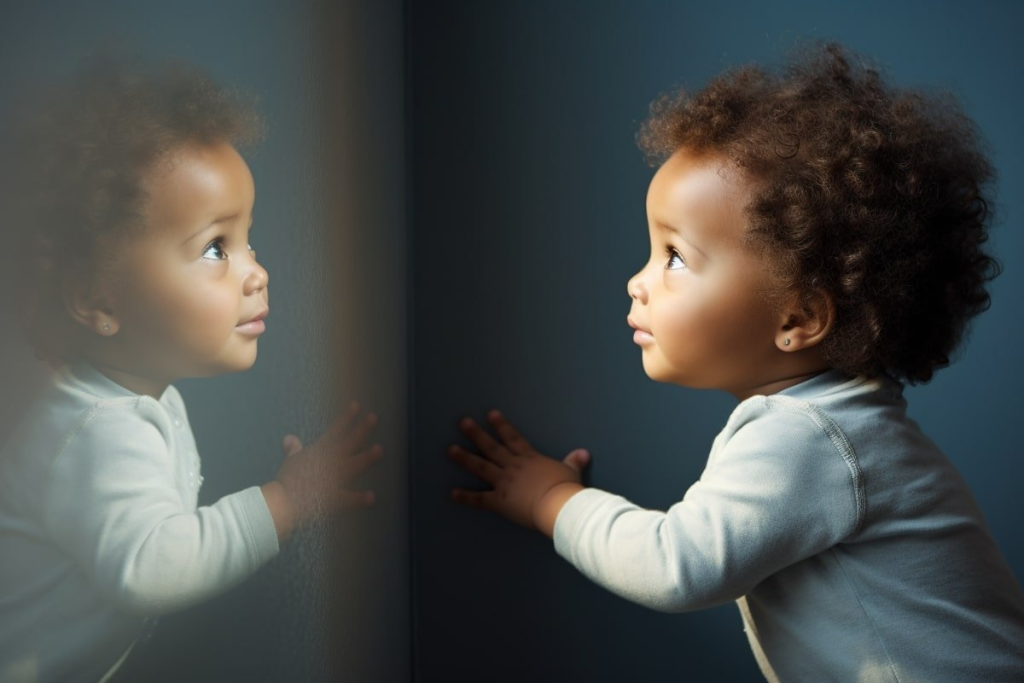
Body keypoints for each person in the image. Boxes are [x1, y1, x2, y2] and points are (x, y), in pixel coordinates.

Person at [445, 41, 1024, 681]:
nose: (637, 282)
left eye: (674, 258)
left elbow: (676, 566)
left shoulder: (810, 435)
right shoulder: (847, 426)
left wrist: (551, 500)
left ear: (798, 318)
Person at [0, 48, 383, 682]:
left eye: (247, 239)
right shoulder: (98, 430)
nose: (256, 272)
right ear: (98, 298)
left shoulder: (131, 398)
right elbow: (152, 569)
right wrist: (287, 500)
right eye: (215, 248)